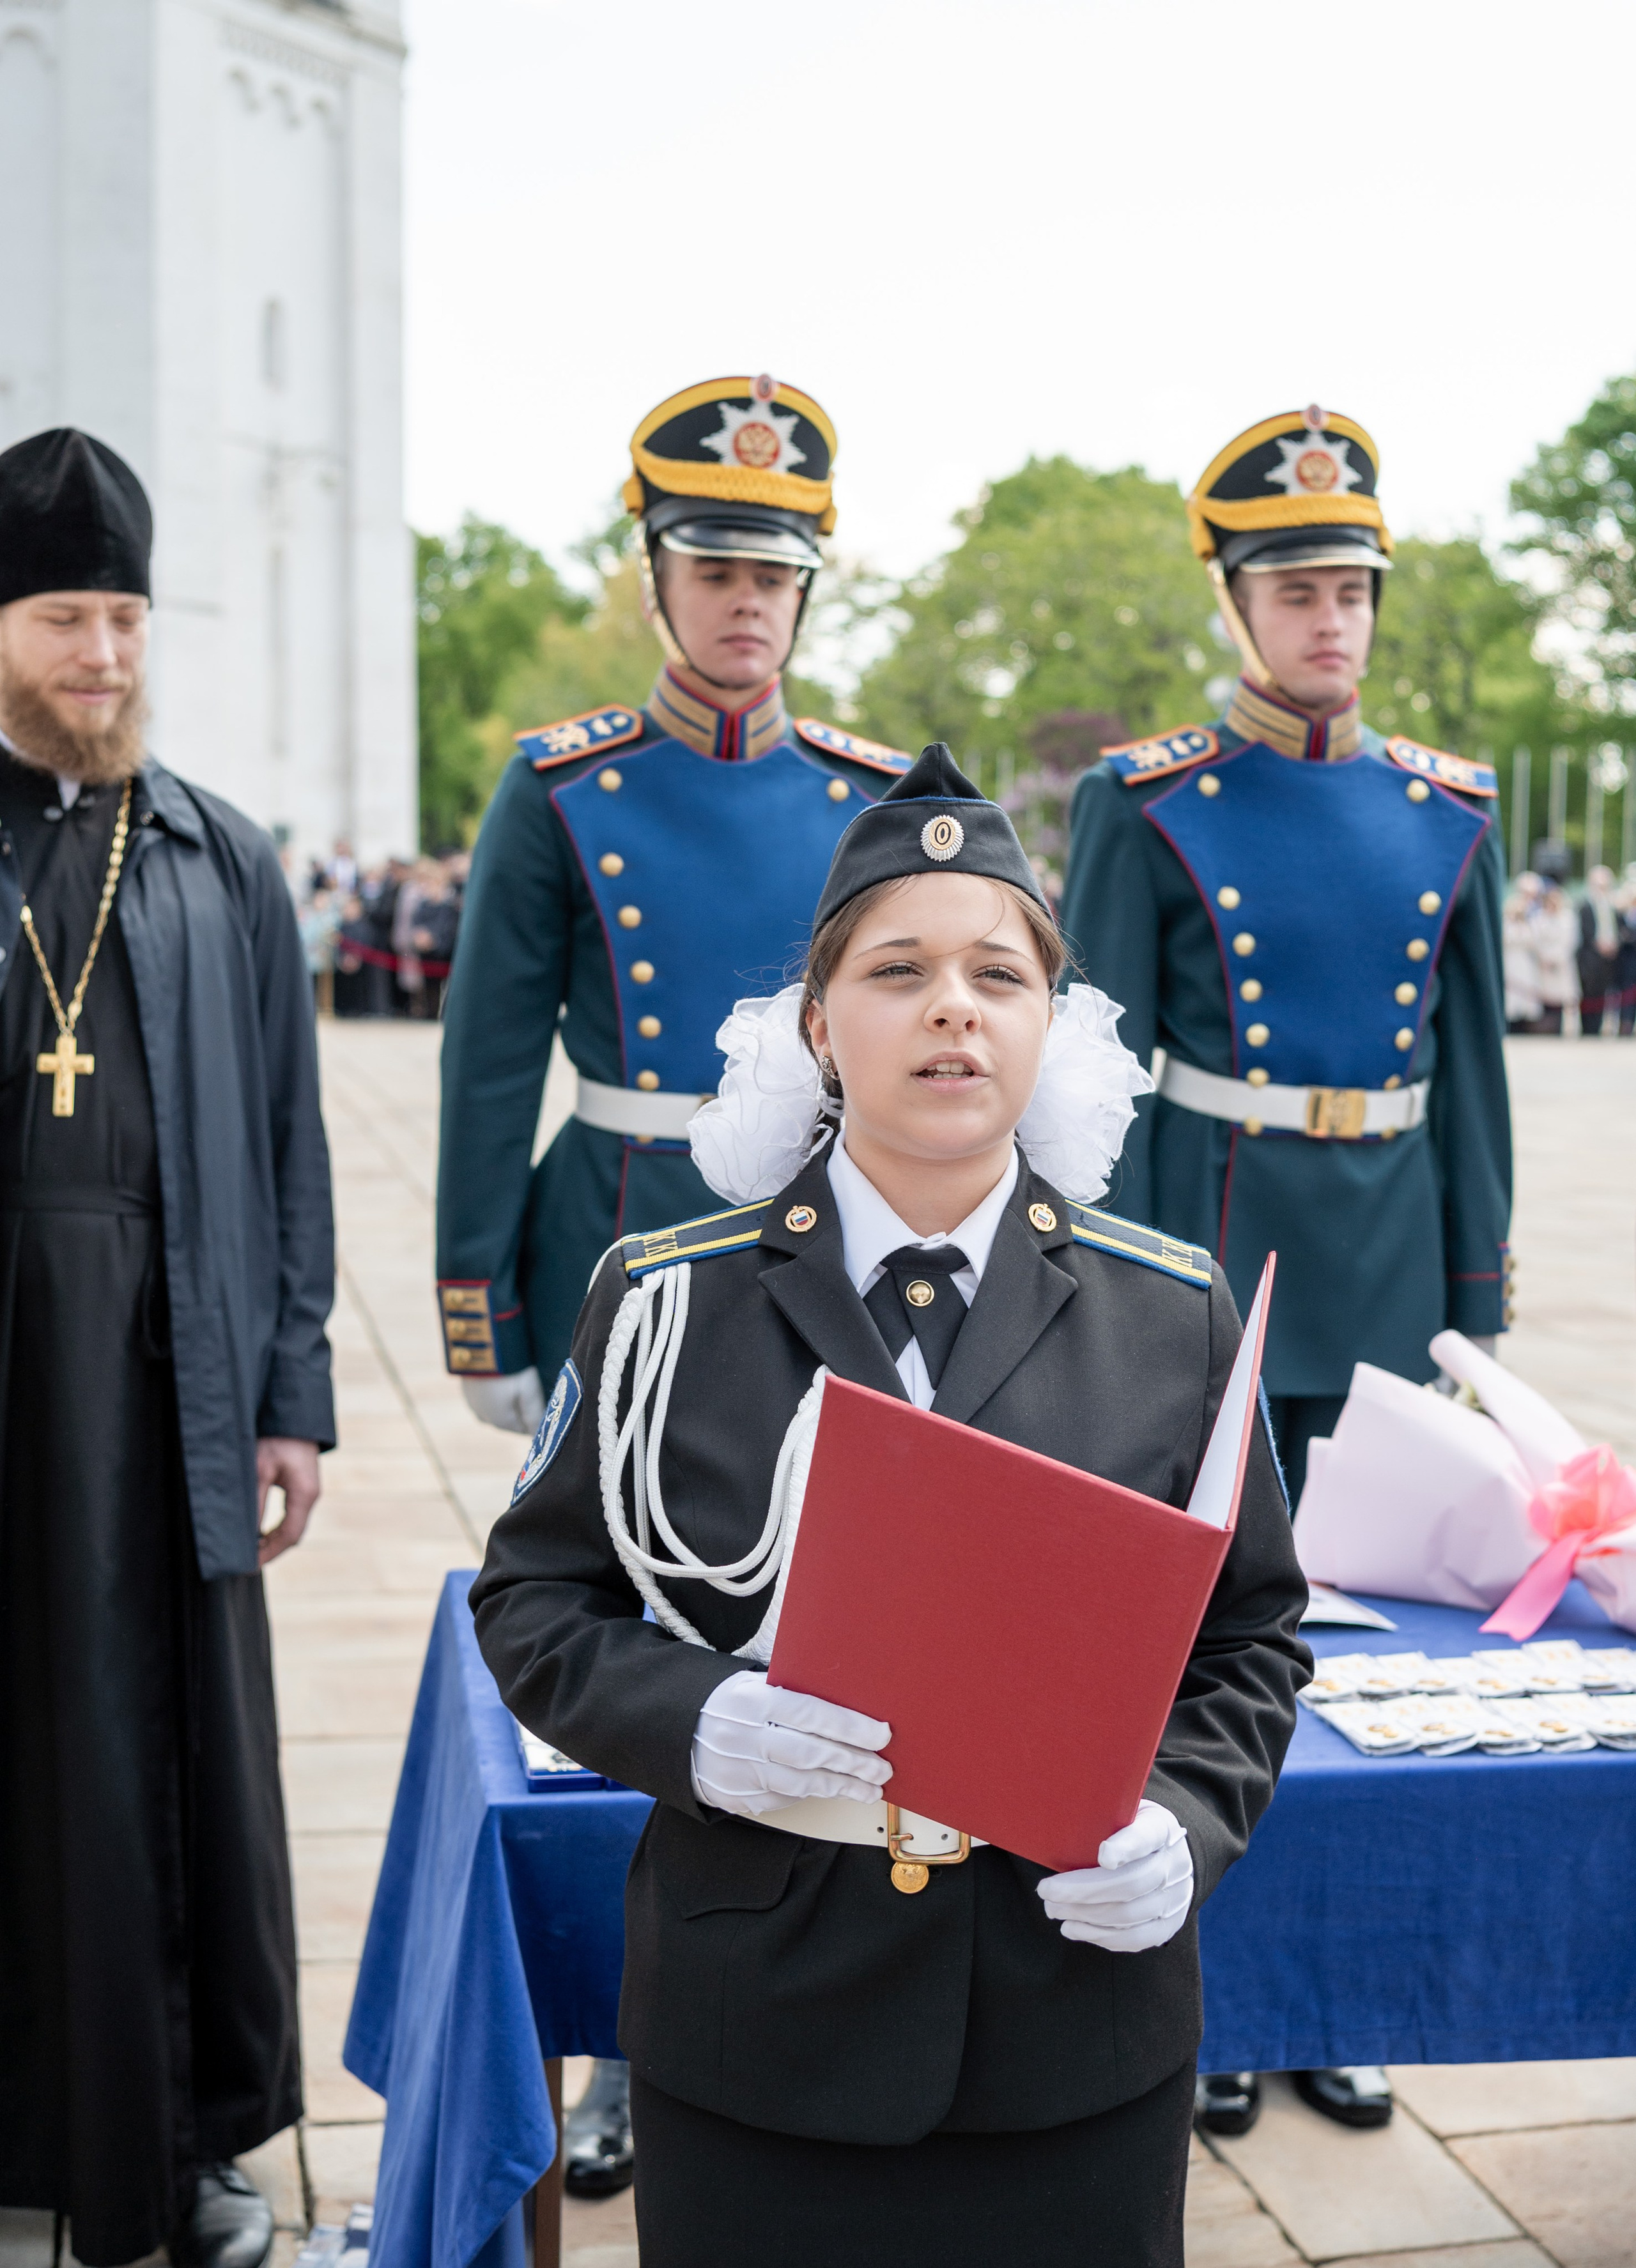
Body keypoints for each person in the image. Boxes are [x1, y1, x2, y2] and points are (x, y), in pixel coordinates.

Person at [470, 745, 1308, 2268]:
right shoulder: (663, 1299)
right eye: (897, 968)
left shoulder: (1173, 1313)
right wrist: (692, 1719)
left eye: (998, 973)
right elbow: (531, 1600)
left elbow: (1250, 1637)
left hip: (1072, 2030)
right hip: (761, 2023)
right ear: (816, 1020)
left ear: (1049, 1023)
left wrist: (1184, 1822)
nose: (950, 1007)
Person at [437, 373, 916, 2190]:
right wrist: (482, 1298)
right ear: (655, 577)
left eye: (773, 576)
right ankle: (631, 2030)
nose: (745, 603)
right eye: (714, 568)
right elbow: (490, 1059)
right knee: (635, 1639)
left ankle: (834, 1975)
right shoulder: (562, 786)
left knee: (825, 1620)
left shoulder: (868, 795)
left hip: (819, 1254)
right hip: (624, 1233)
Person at [1061, 406, 1512, 2138]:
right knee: (1209, 1658)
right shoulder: (1148, 800)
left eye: (1352, 589)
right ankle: (1224, 2002)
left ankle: (1343, 1995)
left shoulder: (1445, 808)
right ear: (1234, 603)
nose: (1331, 619)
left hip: (1385, 1268)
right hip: (1216, 1260)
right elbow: (1096, 1075)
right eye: (1297, 590)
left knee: (1379, 1664)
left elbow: (1469, 1074)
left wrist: (1472, 1305)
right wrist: (1103, 1301)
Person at [0, 431, 336, 2265]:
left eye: (125, 618)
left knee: (165, 1754)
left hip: (168, 1374)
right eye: (64, 616)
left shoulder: (220, 854)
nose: (103, 653)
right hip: (8, 1369)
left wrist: (293, 1396)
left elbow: (290, 1141)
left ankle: (181, 2142)